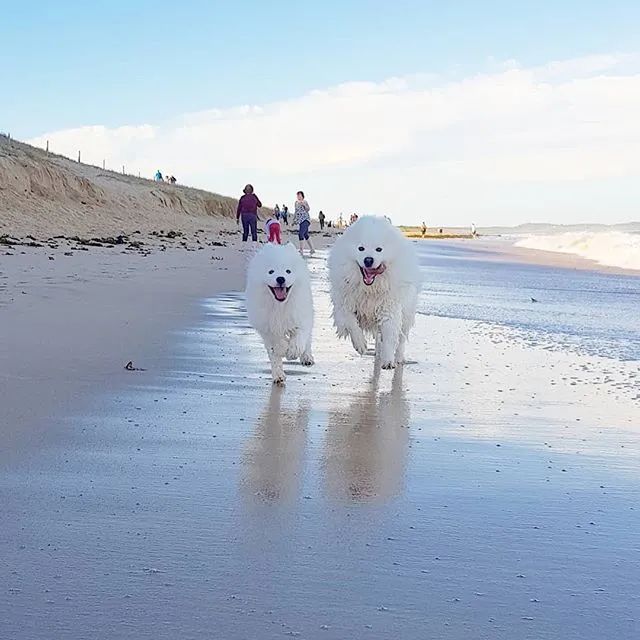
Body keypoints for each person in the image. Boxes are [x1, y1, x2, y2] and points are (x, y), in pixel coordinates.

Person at [293, 190, 314, 256]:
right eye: (297, 195)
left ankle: (301, 250)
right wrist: (294, 220)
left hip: (306, 220)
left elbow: (308, 209)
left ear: (302, 196)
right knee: (305, 234)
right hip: (300, 221)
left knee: (300, 233)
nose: (298, 196)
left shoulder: (305, 202)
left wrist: (304, 205)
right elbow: (296, 212)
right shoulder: (296, 203)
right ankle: (312, 249)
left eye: (299, 195)